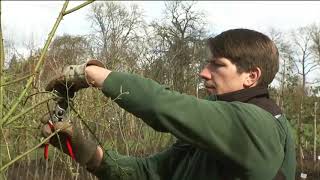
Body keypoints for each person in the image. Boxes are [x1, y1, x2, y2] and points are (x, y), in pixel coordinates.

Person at [41, 28, 296, 180]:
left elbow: (162, 105)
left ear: (252, 76)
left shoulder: (258, 125)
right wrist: (82, 149)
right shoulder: (212, 130)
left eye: (217, 65)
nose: (204, 73)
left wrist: (93, 75)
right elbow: (149, 174)